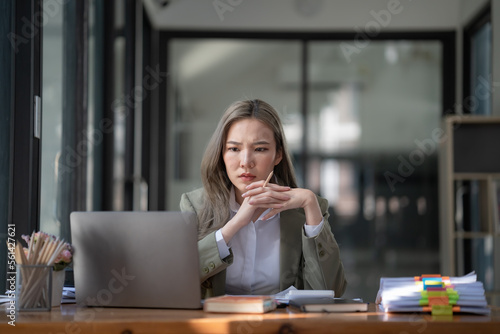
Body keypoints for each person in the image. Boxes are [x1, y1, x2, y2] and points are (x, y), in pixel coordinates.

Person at [180, 99, 347, 298]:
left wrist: (310, 203)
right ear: (221, 154)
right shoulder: (195, 205)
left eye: (260, 149)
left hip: (283, 326)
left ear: (278, 156)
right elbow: (177, 280)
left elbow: (331, 291)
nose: (245, 162)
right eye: (234, 149)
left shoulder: (306, 209)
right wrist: (235, 225)